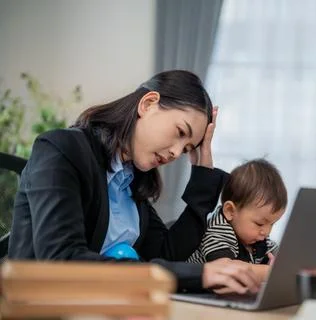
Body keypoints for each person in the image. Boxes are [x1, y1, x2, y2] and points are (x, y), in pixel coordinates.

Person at [8, 70, 260, 295]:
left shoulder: (129, 180)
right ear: (148, 104)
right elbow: (62, 261)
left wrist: (202, 170)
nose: (175, 153)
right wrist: (201, 274)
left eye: (186, 149)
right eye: (180, 133)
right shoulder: (61, 150)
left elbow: (167, 253)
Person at [187, 159, 287, 283]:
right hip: (192, 295)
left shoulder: (258, 239)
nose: (266, 232)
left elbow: (283, 263)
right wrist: (270, 272)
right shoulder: (217, 232)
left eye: (272, 224)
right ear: (230, 211)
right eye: (259, 223)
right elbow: (227, 270)